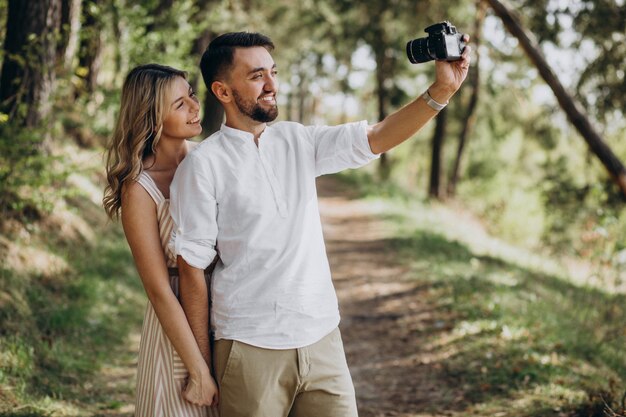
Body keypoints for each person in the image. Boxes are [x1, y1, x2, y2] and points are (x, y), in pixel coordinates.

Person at [169, 32, 471, 417]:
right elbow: (192, 271)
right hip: (248, 347)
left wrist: (442, 91)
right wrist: (201, 366)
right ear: (223, 91)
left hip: (323, 339)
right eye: (257, 76)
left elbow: (377, 137)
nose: (272, 85)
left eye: (273, 73)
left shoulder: (298, 140)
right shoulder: (203, 165)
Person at [103, 63, 219, 416]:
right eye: (180, 104)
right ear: (152, 118)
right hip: (177, 326)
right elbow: (157, 289)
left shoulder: (208, 158)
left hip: (227, 310)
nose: (195, 107)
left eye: (193, 96)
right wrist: (198, 367)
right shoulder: (139, 187)